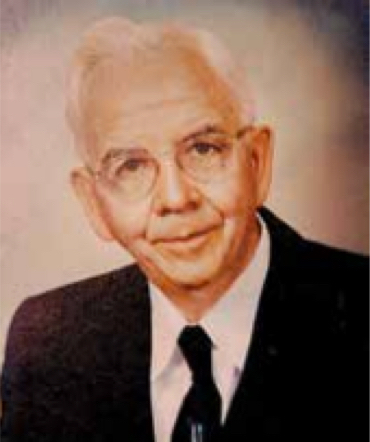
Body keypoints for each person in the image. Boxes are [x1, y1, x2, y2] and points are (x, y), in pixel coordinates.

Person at [1, 17, 368, 442]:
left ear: (257, 162)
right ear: (93, 202)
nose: (176, 199)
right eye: (132, 166)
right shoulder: (49, 341)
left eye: (203, 148)